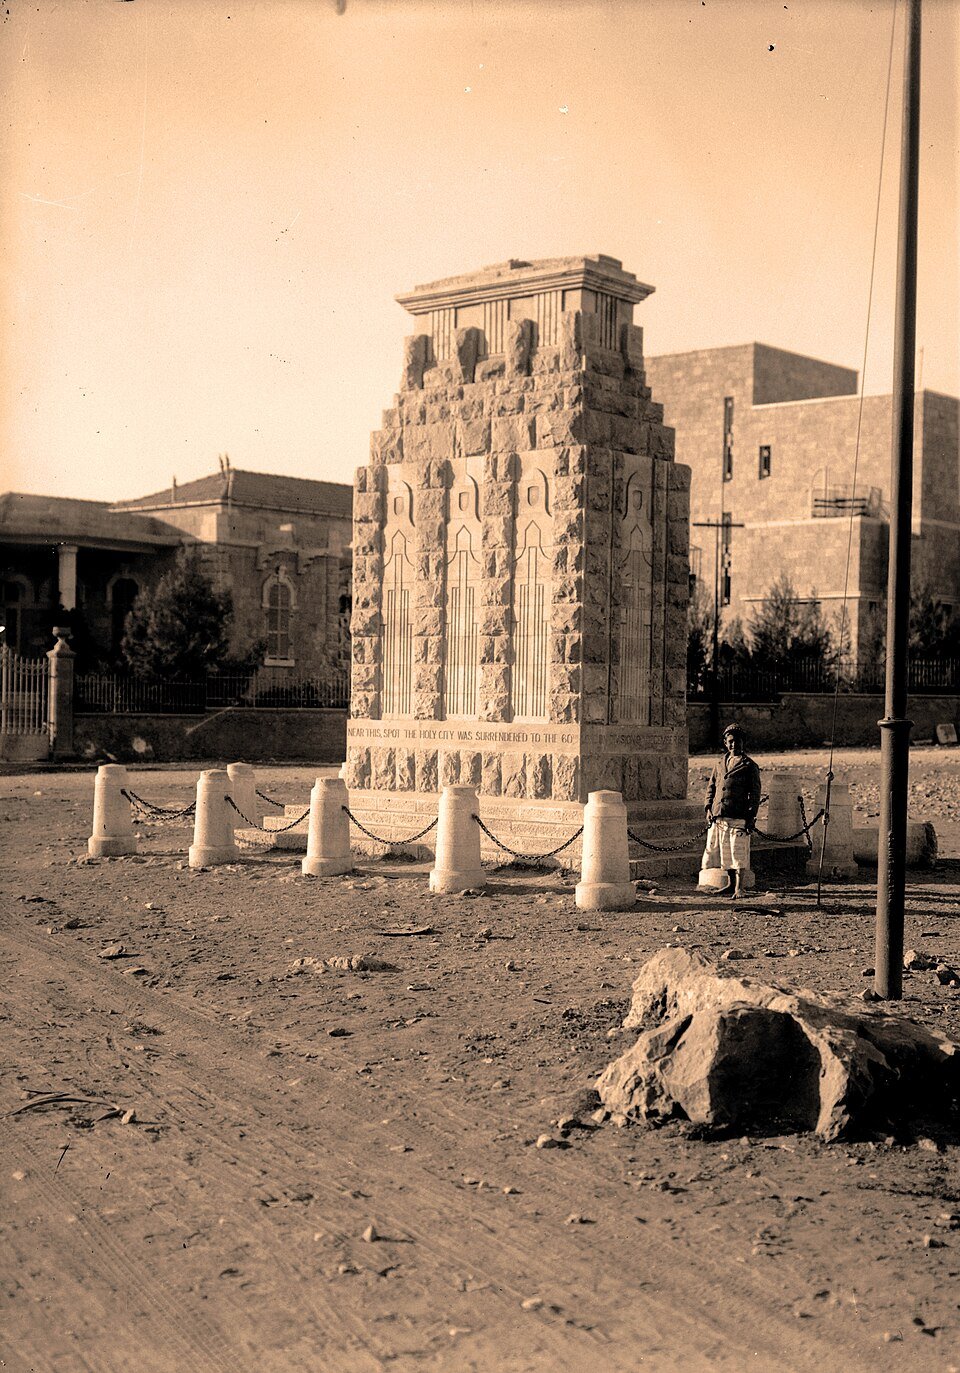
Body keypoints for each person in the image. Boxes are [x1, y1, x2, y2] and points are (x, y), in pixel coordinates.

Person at [703, 723, 762, 899]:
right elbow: (711, 787)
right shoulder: (720, 763)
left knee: (738, 852)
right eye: (730, 741)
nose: (733, 744)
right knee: (725, 852)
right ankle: (730, 884)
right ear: (725, 743)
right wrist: (708, 807)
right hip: (720, 814)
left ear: (743, 743)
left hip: (739, 815)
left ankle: (739, 887)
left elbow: (755, 794)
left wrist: (751, 816)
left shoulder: (749, 766)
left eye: (737, 741)